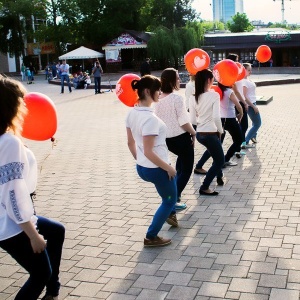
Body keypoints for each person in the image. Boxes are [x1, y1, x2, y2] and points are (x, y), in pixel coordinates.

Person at [0, 76, 65, 300]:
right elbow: (12, 195)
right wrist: (33, 234)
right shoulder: (8, 143)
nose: (25, 106)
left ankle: (52, 291)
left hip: (11, 217)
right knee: (40, 273)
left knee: (56, 231)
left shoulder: (6, 138)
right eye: (22, 101)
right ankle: (50, 287)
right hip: (11, 223)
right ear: (11, 106)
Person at [126, 75, 177, 247]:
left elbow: (130, 142)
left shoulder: (132, 112)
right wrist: (169, 168)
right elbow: (148, 150)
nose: (160, 93)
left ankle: (171, 211)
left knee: (168, 197)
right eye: (158, 90)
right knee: (169, 200)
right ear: (148, 91)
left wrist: (139, 160)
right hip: (157, 169)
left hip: (143, 167)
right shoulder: (150, 119)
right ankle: (151, 236)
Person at [154, 68, 196, 211]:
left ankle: (173, 198)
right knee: (187, 169)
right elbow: (184, 121)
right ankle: (172, 199)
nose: (179, 80)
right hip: (181, 137)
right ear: (172, 81)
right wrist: (193, 132)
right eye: (178, 78)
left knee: (180, 166)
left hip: (167, 139)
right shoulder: (177, 98)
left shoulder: (157, 99)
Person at [189, 69, 224, 196]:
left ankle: (219, 177)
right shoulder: (214, 95)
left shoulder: (193, 97)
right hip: (211, 133)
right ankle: (204, 186)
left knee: (215, 152)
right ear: (209, 80)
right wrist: (220, 130)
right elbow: (216, 117)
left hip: (199, 134)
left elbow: (192, 119)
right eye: (212, 78)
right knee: (220, 160)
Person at [227, 53, 248, 157]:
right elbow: (236, 91)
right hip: (237, 102)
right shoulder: (232, 76)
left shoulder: (236, 73)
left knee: (241, 127)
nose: (239, 62)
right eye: (237, 60)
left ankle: (238, 148)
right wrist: (244, 103)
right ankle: (237, 149)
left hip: (238, 101)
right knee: (242, 126)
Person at [218, 82, 244, 168]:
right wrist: (241, 114)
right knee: (239, 139)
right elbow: (239, 106)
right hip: (230, 119)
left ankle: (219, 160)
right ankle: (225, 159)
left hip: (221, 118)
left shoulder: (218, 90)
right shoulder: (229, 92)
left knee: (220, 141)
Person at [242, 63, 262, 147]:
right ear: (244, 70)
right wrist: (253, 106)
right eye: (249, 70)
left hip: (253, 102)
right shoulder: (244, 81)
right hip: (250, 105)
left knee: (255, 122)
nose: (251, 72)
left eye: (251, 70)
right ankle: (245, 141)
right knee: (258, 123)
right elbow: (245, 97)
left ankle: (253, 136)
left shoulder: (248, 80)